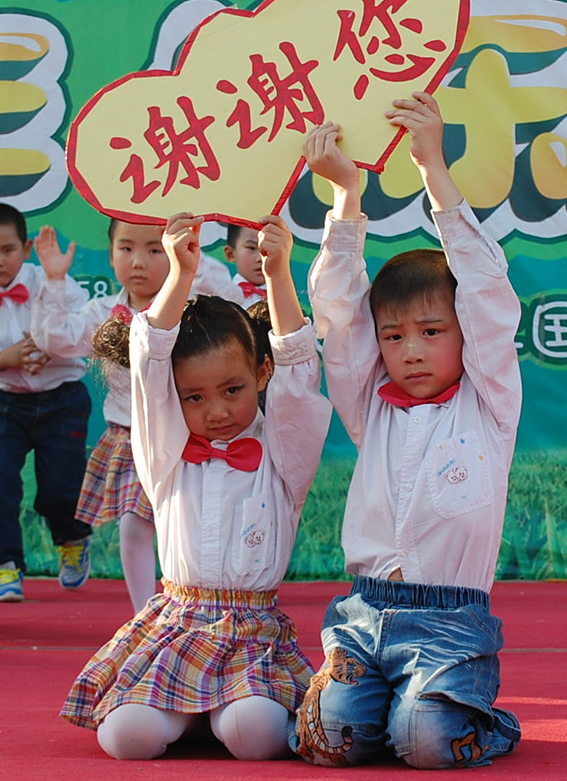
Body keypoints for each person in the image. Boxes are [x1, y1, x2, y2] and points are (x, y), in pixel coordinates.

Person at [293, 92, 523, 769]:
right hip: (364, 617)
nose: (412, 350)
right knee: (328, 740)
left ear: (463, 336)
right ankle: (396, 704)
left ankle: (483, 719)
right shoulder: (370, 402)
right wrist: (346, 196)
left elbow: (485, 292)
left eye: (431, 331)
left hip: (451, 622)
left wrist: (433, 169)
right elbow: (338, 309)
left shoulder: (489, 404)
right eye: (394, 336)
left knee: (423, 742)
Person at [60, 212, 332, 762]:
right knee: (125, 739)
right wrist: (179, 275)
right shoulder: (164, 451)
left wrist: (279, 277)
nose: (216, 411)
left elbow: (300, 374)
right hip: (176, 628)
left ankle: (217, 716)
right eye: (194, 397)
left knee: (256, 736)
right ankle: (192, 716)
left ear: (260, 374)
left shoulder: (284, 451)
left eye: (232, 389)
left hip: (252, 636)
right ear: (173, 399)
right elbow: (148, 358)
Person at [31, 220, 248, 614]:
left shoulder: (196, 304)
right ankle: (145, 617)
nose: (138, 262)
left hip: (193, 439)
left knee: (194, 528)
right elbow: (56, 338)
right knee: (133, 525)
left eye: (154, 250)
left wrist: (194, 263)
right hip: (133, 438)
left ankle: (206, 607)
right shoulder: (103, 313)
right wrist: (54, 280)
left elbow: (235, 306)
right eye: (126, 249)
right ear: (111, 253)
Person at [0, 203, 94, 603]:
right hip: (1, 403)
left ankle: (72, 537)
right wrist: (3, 358)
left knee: (61, 488)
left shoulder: (53, 281)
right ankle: (4, 566)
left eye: (7, 249)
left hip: (62, 398)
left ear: (27, 247)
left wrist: (54, 346)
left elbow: (85, 324)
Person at [224, 223, 267, 307]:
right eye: (251, 248)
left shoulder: (286, 297)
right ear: (230, 254)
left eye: (267, 249)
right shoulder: (222, 298)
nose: (261, 258)